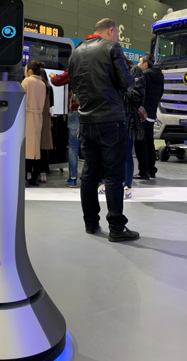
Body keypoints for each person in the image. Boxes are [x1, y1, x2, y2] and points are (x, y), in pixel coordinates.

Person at [69, 18, 139, 242]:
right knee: (114, 176)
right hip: (110, 120)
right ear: (111, 31)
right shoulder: (111, 48)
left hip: (86, 121)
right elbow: (127, 82)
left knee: (89, 175)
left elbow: (73, 86)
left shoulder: (76, 51)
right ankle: (117, 228)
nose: (117, 38)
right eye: (117, 34)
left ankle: (91, 224)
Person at [133, 54, 164, 180]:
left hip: (142, 112)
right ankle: (152, 170)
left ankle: (143, 171)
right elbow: (160, 93)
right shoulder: (160, 76)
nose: (138, 64)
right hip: (152, 113)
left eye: (140, 62)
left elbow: (140, 92)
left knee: (141, 143)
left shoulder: (144, 75)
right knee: (150, 143)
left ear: (146, 64)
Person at [50, 69, 81, 187]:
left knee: (73, 147)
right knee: (89, 147)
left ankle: (72, 179)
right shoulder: (96, 67)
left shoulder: (76, 67)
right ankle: (91, 178)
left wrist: (53, 76)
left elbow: (57, 81)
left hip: (75, 110)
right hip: (92, 111)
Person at [124, 60, 146, 199]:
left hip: (129, 118)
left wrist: (122, 89)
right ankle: (117, 184)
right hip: (118, 118)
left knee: (126, 154)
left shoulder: (134, 71)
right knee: (117, 155)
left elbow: (137, 95)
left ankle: (127, 186)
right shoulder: (118, 72)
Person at [22, 61, 46, 187]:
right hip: (38, 116)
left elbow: (21, 100)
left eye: (25, 69)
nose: (24, 71)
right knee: (36, 148)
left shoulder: (26, 82)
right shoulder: (42, 84)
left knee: (27, 147)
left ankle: (24, 177)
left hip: (27, 115)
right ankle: (35, 177)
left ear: (30, 71)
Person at [39, 68, 54, 182]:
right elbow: (51, 106)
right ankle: (44, 171)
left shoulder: (35, 86)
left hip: (36, 117)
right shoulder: (49, 87)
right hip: (46, 119)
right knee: (44, 146)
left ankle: (31, 171)